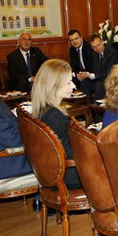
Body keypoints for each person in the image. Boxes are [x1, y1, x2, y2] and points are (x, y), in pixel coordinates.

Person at [31, 59, 82, 189]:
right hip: (67, 175)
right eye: (68, 83)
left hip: (53, 173)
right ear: (54, 85)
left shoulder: (43, 109)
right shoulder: (55, 117)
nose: (74, 86)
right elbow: (68, 153)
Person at [0, 53, 32, 180]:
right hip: (8, 163)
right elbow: (13, 139)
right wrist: (38, 134)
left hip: (13, 155)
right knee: (60, 160)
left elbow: (8, 121)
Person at [78, 34, 118, 99]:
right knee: (85, 82)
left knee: (99, 84)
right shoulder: (95, 53)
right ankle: (86, 103)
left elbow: (110, 73)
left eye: (98, 45)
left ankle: (97, 104)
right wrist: (85, 74)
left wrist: (91, 75)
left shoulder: (112, 52)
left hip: (110, 80)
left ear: (102, 42)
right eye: (94, 47)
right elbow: (95, 69)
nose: (97, 48)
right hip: (100, 79)